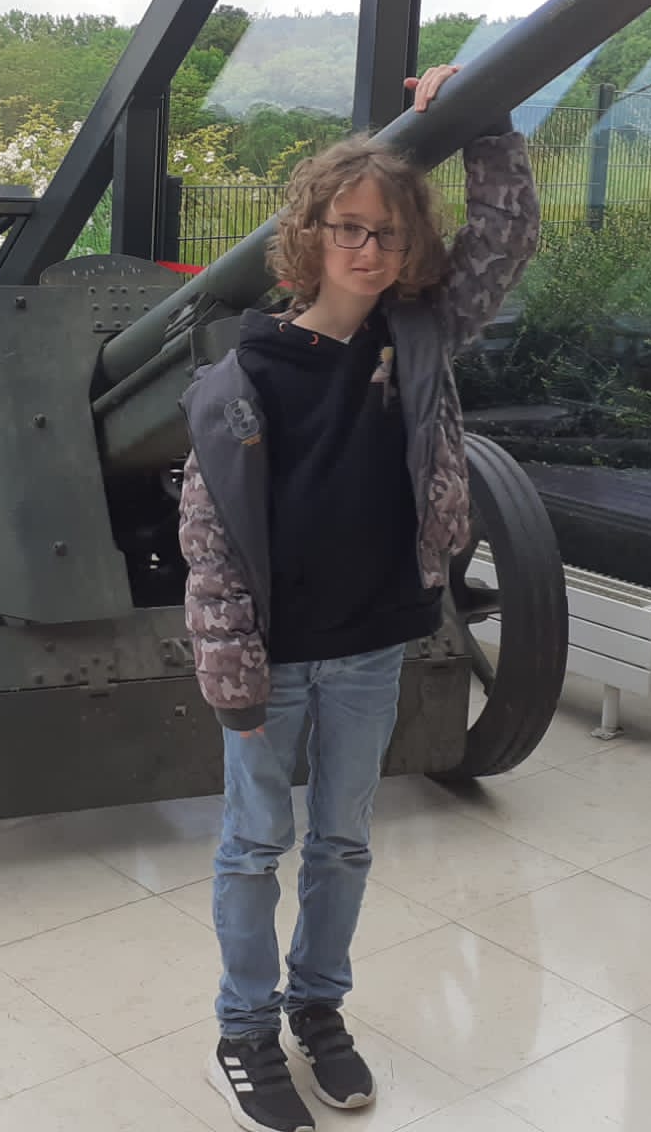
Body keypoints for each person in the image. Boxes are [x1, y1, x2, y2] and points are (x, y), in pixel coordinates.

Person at [177, 62, 540, 1132]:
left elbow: (507, 237)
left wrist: (483, 116)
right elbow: (210, 541)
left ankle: (316, 1008)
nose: (368, 249)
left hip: (373, 644)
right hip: (277, 656)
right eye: (348, 228)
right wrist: (233, 674)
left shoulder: (418, 338)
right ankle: (245, 1029)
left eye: (387, 232)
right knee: (254, 847)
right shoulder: (245, 375)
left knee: (341, 843)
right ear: (311, 235)